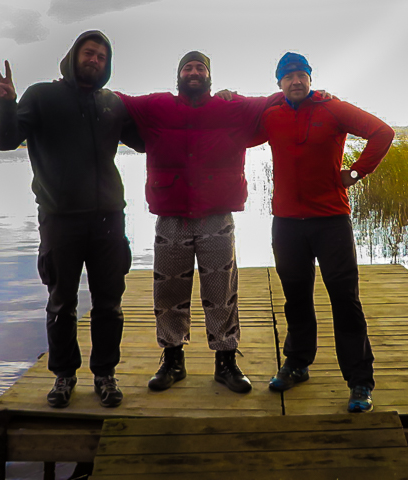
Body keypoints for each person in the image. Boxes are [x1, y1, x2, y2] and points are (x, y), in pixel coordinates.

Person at [0, 31, 144, 408]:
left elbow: (146, 140)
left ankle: (105, 374)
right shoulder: (43, 96)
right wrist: (7, 103)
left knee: (110, 302)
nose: (95, 60)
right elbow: (6, 140)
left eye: (102, 57)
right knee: (61, 302)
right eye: (89, 53)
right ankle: (64, 375)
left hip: (109, 218)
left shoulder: (113, 104)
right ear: (74, 56)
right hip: (60, 219)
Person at [117, 52, 285, 394]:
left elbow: (272, 101)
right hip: (171, 215)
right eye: (187, 67)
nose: (194, 72)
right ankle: (173, 360)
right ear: (178, 75)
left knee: (221, 290)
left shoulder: (229, 107)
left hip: (216, 214)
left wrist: (312, 93)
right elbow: (118, 100)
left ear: (209, 76)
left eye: (200, 68)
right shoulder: (157, 105)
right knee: (168, 290)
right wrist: (72, 86)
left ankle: (226, 362)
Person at [257, 52, 395, 412]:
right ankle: (298, 363)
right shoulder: (271, 113)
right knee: (296, 296)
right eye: (288, 77)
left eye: (302, 75)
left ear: (310, 78)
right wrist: (225, 96)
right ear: (279, 83)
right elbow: (235, 128)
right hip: (286, 224)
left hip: (330, 220)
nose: (296, 81)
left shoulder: (333, 109)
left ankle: (360, 381)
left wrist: (356, 171)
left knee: (344, 299)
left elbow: (382, 132)